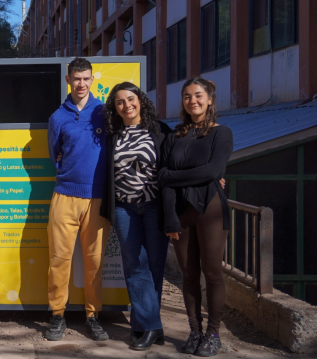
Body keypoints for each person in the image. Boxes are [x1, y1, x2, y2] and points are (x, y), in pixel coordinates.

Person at [159, 77, 233, 357]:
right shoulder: (173, 136)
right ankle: (195, 331)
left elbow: (212, 172)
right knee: (188, 275)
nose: (193, 101)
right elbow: (161, 181)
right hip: (180, 212)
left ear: (210, 99)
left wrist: (171, 176)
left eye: (199, 95)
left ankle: (213, 334)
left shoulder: (221, 133)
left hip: (210, 209)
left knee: (212, 273)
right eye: (188, 96)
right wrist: (169, 218)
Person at [100, 82, 172, 350]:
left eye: (130, 99)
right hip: (124, 208)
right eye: (120, 102)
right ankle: (151, 326)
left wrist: (216, 176)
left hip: (155, 207)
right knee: (134, 266)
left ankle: (144, 326)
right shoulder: (111, 134)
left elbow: (179, 160)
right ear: (114, 108)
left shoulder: (160, 130)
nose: (126, 105)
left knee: (154, 266)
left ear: (140, 100)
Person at [45, 57, 110, 342]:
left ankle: (93, 316)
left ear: (92, 80)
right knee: (59, 260)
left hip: (97, 198)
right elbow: (54, 154)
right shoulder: (58, 117)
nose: (81, 84)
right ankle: (57, 314)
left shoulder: (106, 113)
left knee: (94, 262)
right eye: (76, 78)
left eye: (86, 78)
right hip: (65, 196)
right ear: (68, 80)